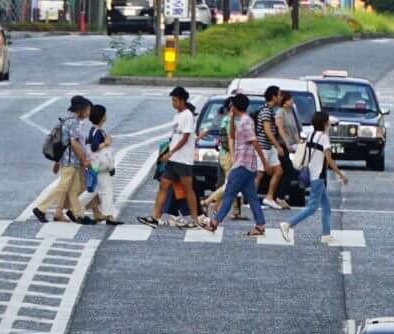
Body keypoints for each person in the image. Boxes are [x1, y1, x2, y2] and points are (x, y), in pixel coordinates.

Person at [279, 109, 346, 243]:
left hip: (311, 173)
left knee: (326, 206)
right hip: (318, 176)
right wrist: (340, 174)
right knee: (312, 207)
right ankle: (288, 224)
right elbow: (329, 159)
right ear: (325, 123)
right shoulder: (324, 138)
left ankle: (326, 234)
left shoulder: (310, 134)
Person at [206, 93, 268, 237]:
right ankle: (260, 225)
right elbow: (232, 136)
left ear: (235, 105)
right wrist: (232, 117)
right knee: (252, 197)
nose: (230, 106)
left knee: (229, 193)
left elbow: (254, 141)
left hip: (242, 164)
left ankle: (214, 223)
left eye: (232, 104)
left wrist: (264, 162)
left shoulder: (246, 121)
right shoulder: (241, 120)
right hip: (246, 165)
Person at [145, 86, 203, 228]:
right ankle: (155, 217)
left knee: (188, 189)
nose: (173, 103)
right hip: (173, 159)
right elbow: (175, 137)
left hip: (183, 160)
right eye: (172, 100)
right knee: (163, 185)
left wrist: (171, 152)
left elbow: (185, 137)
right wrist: (168, 152)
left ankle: (195, 220)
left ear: (182, 101)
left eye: (175, 100)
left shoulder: (188, 115)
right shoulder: (177, 116)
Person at [32, 96, 92, 224]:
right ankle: (40, 208)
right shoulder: (73, 122)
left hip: (72, 161)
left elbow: (73, 142)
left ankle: (79, 214)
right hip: (70, 160)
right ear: (80, 109)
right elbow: (74, 143)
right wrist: (84, 160)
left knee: (74, 189)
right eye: (87, 110)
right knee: (63, 186)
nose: (88, 113)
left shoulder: (70, 121)